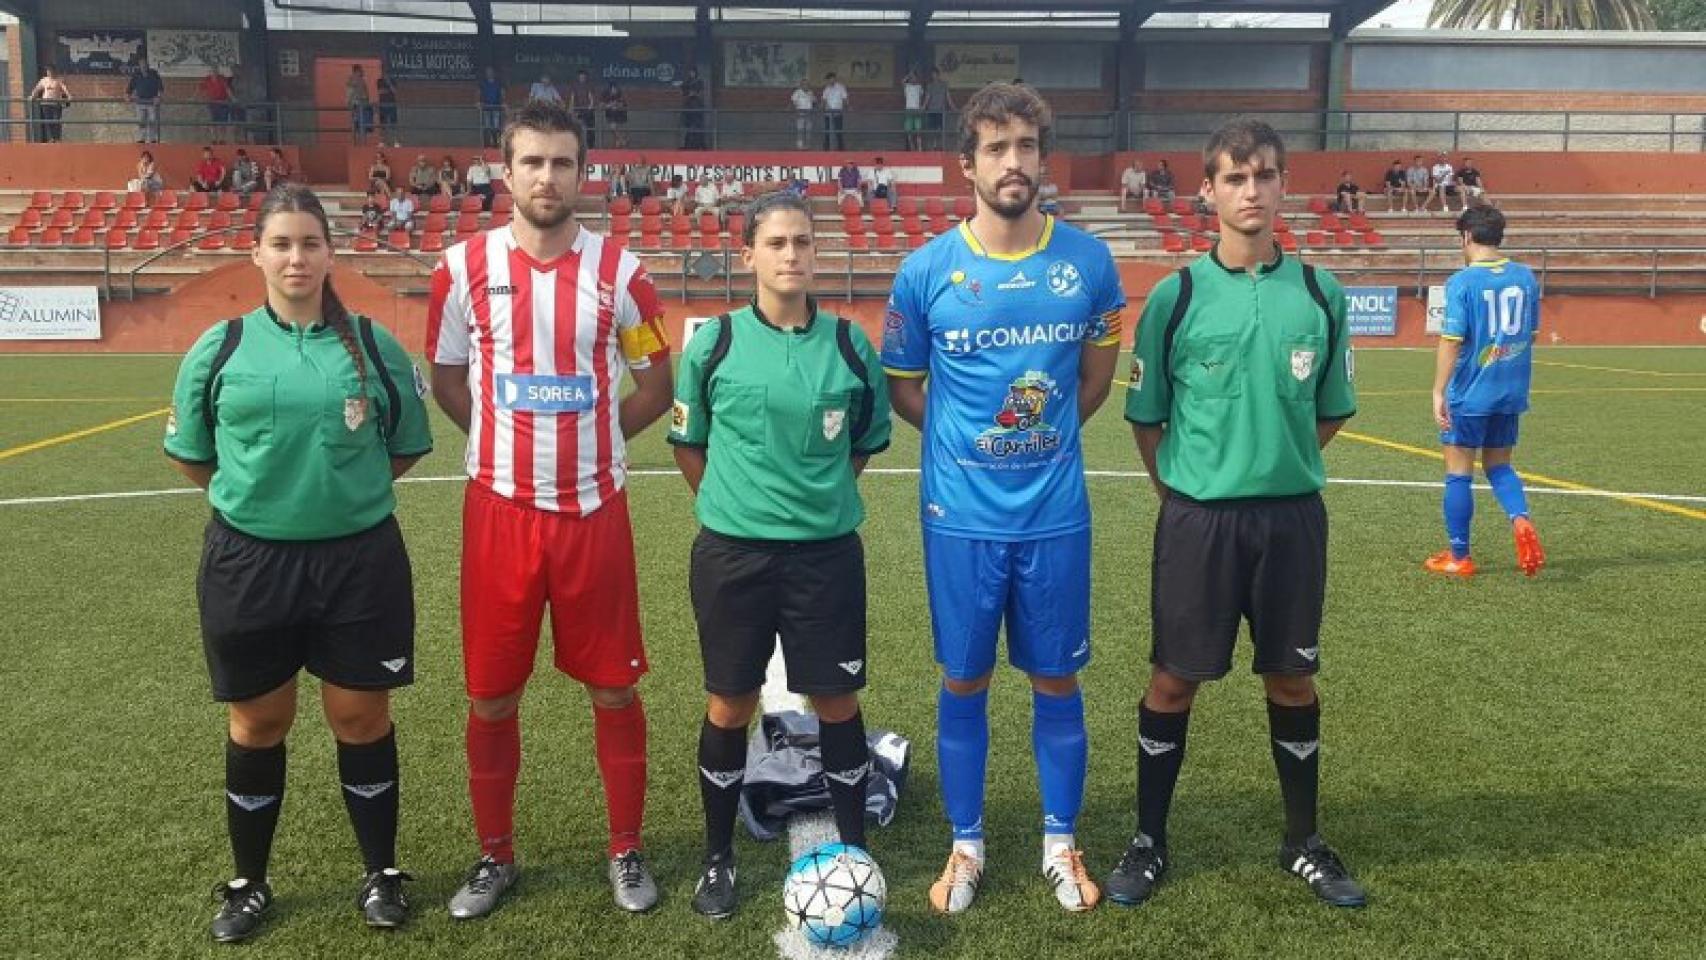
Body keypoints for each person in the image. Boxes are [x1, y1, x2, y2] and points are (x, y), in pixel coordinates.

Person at [425, 100, 674, 921]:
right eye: (532, 161)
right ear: (506, 171)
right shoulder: (459, 270)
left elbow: (655, 386)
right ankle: (494, 856)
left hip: (594, 512)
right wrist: (502, 439)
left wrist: (597, 437)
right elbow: (451, 380)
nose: (547, 176)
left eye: (562, 162)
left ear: (582, 172)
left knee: (613, 689)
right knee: (492, 697)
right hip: (499, 514)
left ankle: (625, 849)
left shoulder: (622, 274)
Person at [165, 183, 433, 943]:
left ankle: (380, 872)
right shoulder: (221, 347)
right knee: (260, 720)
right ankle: (249, 882)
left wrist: (340, 500)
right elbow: (195, 457)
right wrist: (260, 503)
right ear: (256, 253)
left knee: (360, 715)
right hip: (249, 564)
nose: (296, 257)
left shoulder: (375, 344)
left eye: (309, 243)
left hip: (360, 562)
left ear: (329, 253)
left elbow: (407, 443)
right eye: (281, 243)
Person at [881, 82, 1124, 916]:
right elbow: (907, 390)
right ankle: (968, 845)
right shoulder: (925, 273)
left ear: (1042, 158)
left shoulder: (1088, 264)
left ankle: (1061, 842)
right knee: (965, 681)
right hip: (961, 518)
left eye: (1024, 146)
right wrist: (967, 446)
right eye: (995, 147)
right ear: (967, 164)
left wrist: (1040, 440)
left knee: (1057, 682)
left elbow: (1094, 381)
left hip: (1055, 514)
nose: (1012, 162)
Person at [1111, 118, 1365, 912]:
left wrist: (1274, 461)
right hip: (1200, 523)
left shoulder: (1322, 293)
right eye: (1234, 177)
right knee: (1173, 680)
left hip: (1292, 519)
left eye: (1264, 175)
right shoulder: (1176, 296)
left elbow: (1330, 410)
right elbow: (1146, 419)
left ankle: (1303, 840)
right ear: (1208, 191)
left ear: (1284, 185)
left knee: (1292, 679)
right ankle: (1150, 841)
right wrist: (1187, 493)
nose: (1251, 190)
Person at [668, 190, 893, 919]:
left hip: (825, 557)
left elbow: (862, 441)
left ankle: (856, 852)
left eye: (801, 241)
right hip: (733, 555)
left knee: (836, 699)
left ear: (815, 251)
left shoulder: (851, 344)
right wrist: (738, 509)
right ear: (749, 256)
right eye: (775, 243)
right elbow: (689, 444)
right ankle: (717, 860)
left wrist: (816, 503)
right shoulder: (716, 343)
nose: (790, 254)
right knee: (729, 703)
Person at [1425, 206, 1544, 578]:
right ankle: (1520, 519)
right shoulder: (1525, 277)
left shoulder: (1462, 282)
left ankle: (1459, 556)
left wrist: (1438, 390)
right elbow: (1532, 333)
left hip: (1470, 393)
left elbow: (1452, 340)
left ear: (1466, 237)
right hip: (1510, 390)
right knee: (1500, 465)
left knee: (1458, 472)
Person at [28, 67, 72, 143]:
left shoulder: (59, 79)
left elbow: (64, 88)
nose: (50, 73)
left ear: (54, 71)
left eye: (51, 71)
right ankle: (51, 138)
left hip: (56, 104)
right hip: (46, 104)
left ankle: (57, 138)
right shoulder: (44, 80)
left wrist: (69, 96)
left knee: (56, 121)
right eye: (48, 71)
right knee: (48, 122)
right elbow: (37, 89)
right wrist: (32, 96)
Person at [127, 59, 164, 144]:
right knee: (141, 121)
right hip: (140, 102)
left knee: (152, 120)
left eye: (145, 65)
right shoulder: (136, 75)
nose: (143, 67)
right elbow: (130, 87)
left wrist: (158, 97)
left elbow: (161, 88)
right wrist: (127, 96)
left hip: (151, 102)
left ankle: (152, 139)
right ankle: (141, 139)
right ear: (139, 66)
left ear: (148, 65)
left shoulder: (154, 74)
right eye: (142, 65)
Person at [202, 67, 235, 144]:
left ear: (218, 72)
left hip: (222, 103)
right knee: (212, 122)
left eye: (215, 71)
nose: (214, 73)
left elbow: (227, 89)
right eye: (212, 71)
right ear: (210, 72)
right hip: (212, 103)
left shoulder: (222, 79)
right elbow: (202, 90)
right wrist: (203, 99)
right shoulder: (207, 80)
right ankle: (214, 139)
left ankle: (222, 139)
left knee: (222, 122)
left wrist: (233, 98)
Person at [923, 68, 954, 150]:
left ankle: (942, 145)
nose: (934, 76)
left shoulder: (944, 85)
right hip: (932, 109)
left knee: (941, 128)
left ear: (938, 74)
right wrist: (923, 107)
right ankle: (934, 145)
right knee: (933, 129)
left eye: (935, 74)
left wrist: (953, 107)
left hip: (941, 110)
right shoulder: (930, 86)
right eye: (932, 75)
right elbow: (927, 98)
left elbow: (948, 97)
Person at [569, 69, 598, 149]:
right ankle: (578, 146)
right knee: (578, 128)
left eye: (583, 76)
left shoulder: (589, 85)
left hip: (588, 110)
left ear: (586, 77)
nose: (582, 77)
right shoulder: (574, 85)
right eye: (581, 76)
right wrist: (571, 109)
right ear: (578, 77)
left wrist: (590, 108)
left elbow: (591, 98)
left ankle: (591, 146)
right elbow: (572, 97)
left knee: (590, 129)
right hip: (578, 110)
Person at [478, 67, 506, 149]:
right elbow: (478, 93)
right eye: (488, 72)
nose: (489, 73)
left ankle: (496, 144)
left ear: (494, 73)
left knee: (496, 126)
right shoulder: (483, 83)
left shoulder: (498, 83)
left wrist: (503, 102)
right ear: (486, 74)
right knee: (487, 127)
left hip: (496, 107)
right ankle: (487, 144)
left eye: (491, 72)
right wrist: (478, 102)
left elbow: (502, 93)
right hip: (486, 107)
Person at [681, 67, 708, 149]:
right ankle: (687, 146)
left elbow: (701, 93)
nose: (691, 74)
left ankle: (701, 146)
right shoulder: (687, 81)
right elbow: (683, 91)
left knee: (698, 129)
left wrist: (695, 94)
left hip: (697, 105)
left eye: (692, 72)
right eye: (690, 72)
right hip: (689, 106)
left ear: (696, 73)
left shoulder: (699, 81)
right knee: (689, 129)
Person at [821, 72, 849, 151]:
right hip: (828, 113)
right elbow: (824, 100)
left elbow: (844, 99)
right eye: (829, 79)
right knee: (827, 131)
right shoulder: (826, 89)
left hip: (838, 112)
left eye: (832, 78)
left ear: (835, 79)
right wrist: (823, 108)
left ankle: (841, 148)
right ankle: (826, 148)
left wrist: (845, 107)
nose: (831, 80)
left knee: (838, 131)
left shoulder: (841, 87)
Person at [347, 65, 372, 146]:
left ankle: (363, 144)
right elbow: (350, 93)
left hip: (363, 104)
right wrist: (350, 103)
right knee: (356, 124)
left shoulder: (362, 80)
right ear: (357, 71)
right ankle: (356, 144)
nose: (362, 72)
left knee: (363, 125)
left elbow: (366, 94)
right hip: (357, 104)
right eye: (361, 70)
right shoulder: (352, 80)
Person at [902, 69, 925, 151]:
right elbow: (902, 81)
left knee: (918, 130)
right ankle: (912, 147)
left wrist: (922, 107)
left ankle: (919, 147)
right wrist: (909, 74)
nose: (913, 79)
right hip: (908, 110)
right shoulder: (907, 86)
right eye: (911, 78)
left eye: (914, 77)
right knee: (909, 130)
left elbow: (922, 96)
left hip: (917, 109)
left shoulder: (919, 86)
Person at [376, 73, 399, 147]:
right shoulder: (379, 81)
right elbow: (380, 92)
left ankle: (396, 141)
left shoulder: (392, 81)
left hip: (392, 104)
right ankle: (382, 141)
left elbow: (395, 91)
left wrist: (389, 83)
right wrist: (389, 91)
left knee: (393, 123)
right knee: (382, 124)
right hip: (382, 104)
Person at [603, 81, 629, 149]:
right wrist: (609, 105)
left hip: (620, 115)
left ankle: (620, 141)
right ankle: (620, 140)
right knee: (613, 128)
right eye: (612, 89)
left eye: (615, 89)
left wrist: (617, 105)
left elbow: (624, 104)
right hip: (611, 115)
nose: (614, 90)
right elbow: (602, 105)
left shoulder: (621, 95)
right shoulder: (606, 95)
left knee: (619, 129)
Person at [791, 79, 815, 150]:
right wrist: (796, 111)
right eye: (804, 84)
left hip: (809, 114)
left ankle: (808, 146)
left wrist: (812, 97)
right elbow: (794, 102)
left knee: (808, 131)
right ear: (801, 85)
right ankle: (800, 146)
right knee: (800, 130)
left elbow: (814, 101)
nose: (806, 86)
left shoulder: (811, 92)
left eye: (807, 84)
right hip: (800, 114)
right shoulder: (797, 92)